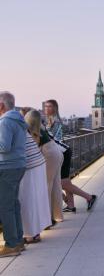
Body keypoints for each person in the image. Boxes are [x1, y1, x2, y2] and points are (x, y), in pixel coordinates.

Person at [44, 100, 97, 213]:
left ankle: (89, 197)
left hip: (62, 152)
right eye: (45, 106)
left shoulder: (56, 122)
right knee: (66, 182)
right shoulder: (49, 121)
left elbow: (54, 139)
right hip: (61, 151)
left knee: (63, 183)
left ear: (55, 108)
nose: (46, 109)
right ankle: (71, 205)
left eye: (49, 106)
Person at [0, 92, 27, 257]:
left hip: (7, 167)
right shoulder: (18, 120)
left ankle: (10, 245)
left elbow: (4, 146)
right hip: (18, 165)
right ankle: (18, 241)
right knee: (14, 204)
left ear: (1, 105)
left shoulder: (5, 122)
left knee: (5, 206)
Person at [19, 109, 51, 244]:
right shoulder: (22, 126)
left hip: (30, 166)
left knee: (26, 200)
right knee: (37, 199)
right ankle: (36, 233)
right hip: (38, 163)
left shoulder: (10, 124)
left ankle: (30, 234)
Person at [30, 109, 64, 225]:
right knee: (55, 186)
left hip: (49, 154)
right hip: (56, 152)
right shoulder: (40, 127)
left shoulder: (32, 130)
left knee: (45, 187)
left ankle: (46, 220)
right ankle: (56, 216)